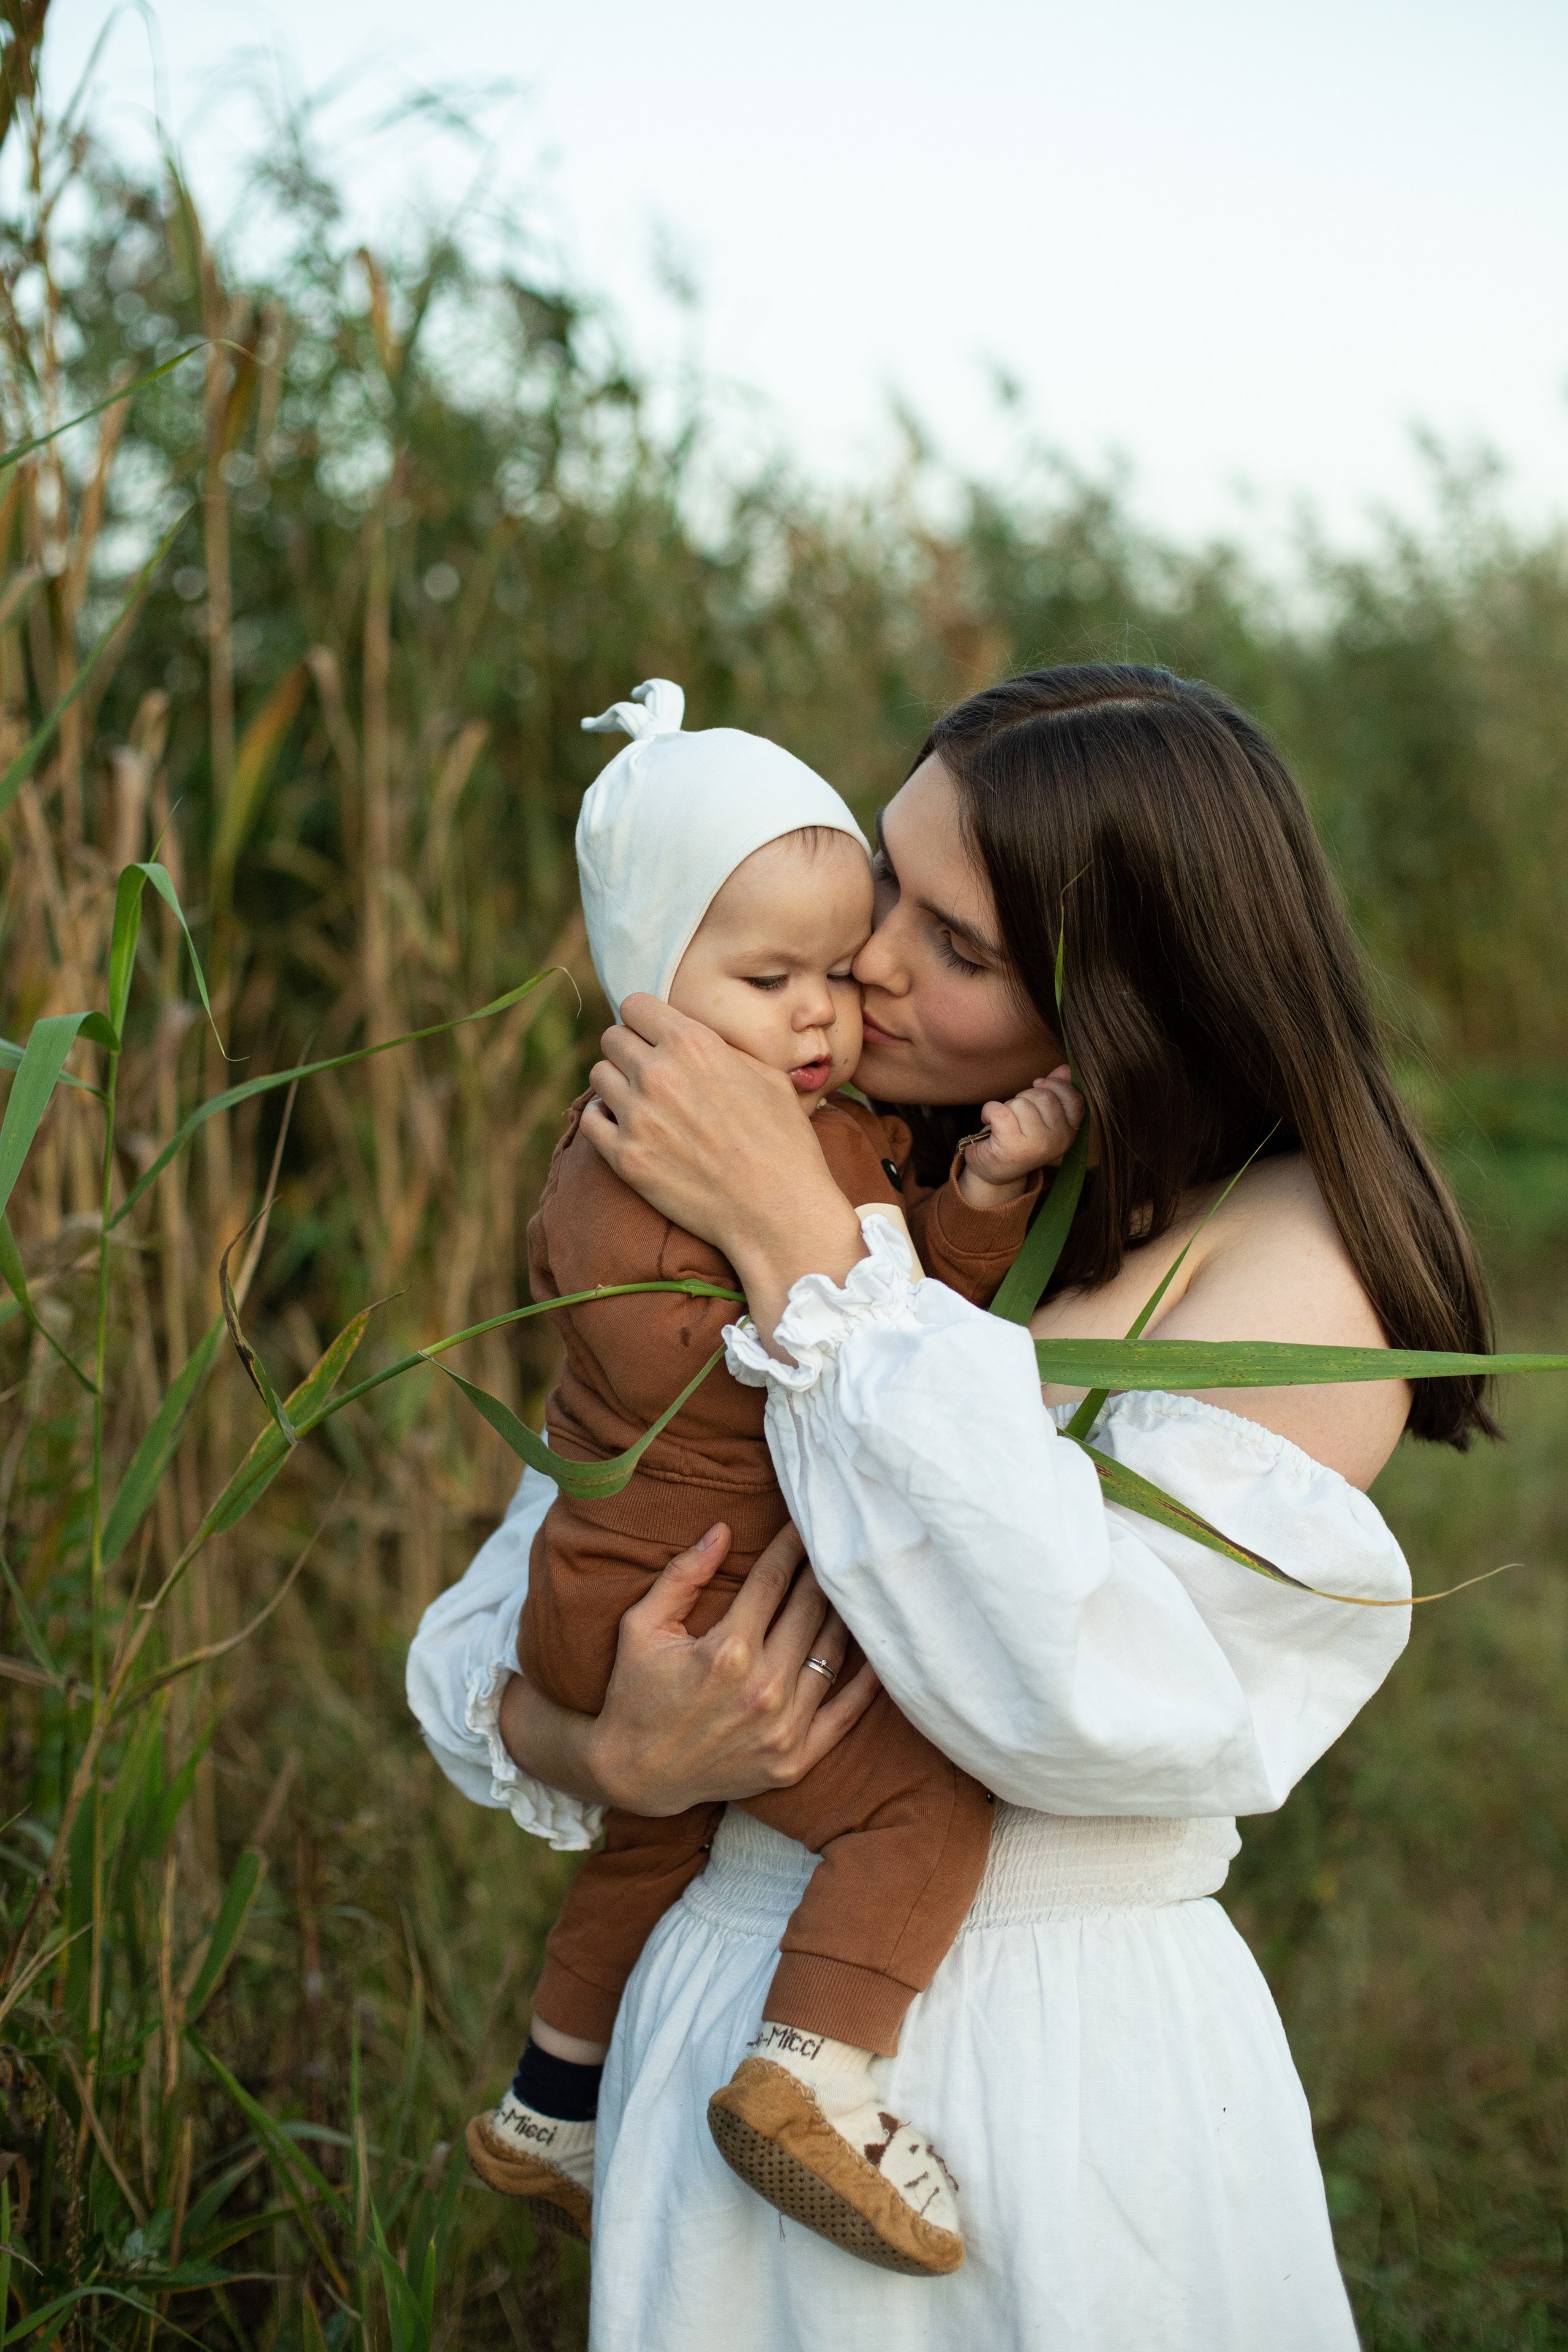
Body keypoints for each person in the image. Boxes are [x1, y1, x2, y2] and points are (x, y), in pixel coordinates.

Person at [409, 664, 1495, 2351]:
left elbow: (1079, 1703)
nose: (873, 965)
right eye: (886, 884)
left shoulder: (1285, 1265)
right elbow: (508, 1600)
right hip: (716, 2004)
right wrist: (605, 1758)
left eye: (962, 946)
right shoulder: (858, 1155)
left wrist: (812, 1253)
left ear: (1142, 985)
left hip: (1039, 2063)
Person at [470, 679, 1079, 2274]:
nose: (824, 1013)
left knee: (651, 1847)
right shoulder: (628, 1161)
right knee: (923, 1802)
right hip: (652, 1606)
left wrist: (986, 1202)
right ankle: (815, 2065)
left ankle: (550, 2100)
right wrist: (777, 1270)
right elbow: (674, 1352)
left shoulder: (849, 1134)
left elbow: (910, 1325)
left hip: (671, 1602)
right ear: (648, 976)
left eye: (837, 966)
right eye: (767, 979)